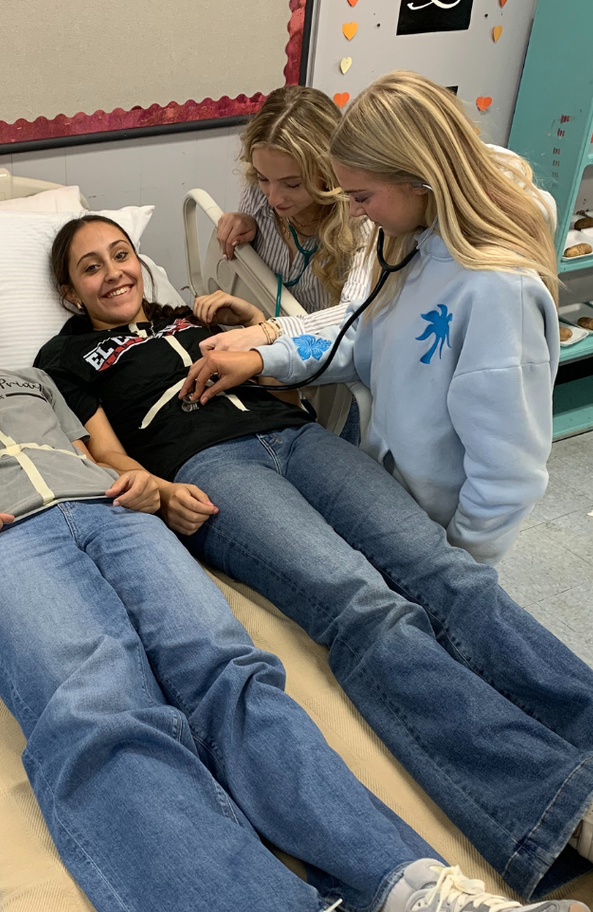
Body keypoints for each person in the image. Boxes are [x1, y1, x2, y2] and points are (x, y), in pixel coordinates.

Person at [0, 274, 593, 912]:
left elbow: (107, 456)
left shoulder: (36, 381)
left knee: (233, 676)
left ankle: (411, 894)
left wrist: (146, 487)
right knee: (98, 708)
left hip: (116, 515)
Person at [34, 213, 593, 912]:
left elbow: (290, 380)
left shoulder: (191, 315)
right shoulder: (64, 359)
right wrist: (157, 493)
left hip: (295, 436)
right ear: (70, 291)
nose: (113, 272)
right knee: (365, 606)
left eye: (120, 254)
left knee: (448, 571)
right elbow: (104, 453)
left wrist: (257, 325)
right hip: (209, 466)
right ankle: (571, 806)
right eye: (91, 266)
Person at [187, 72, 561, 566]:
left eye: (362, 197)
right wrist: (263, 358)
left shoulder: (498, 292)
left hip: (445, 536)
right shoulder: (405, 246)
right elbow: (359, 337)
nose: (357, 213)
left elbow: (508, 475)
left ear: (420, 180)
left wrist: (458, 565)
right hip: (390, 495)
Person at [213, 85, 367, 441]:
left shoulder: (361, 217)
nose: (274, 197)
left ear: (330, 172)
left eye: (292, 184)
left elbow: (354, 317)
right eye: (264, 179)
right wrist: (244, 221)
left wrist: (270, 331)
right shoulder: (262, 191)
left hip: (331, 366)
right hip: (272, 359)